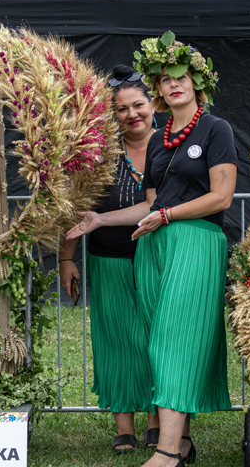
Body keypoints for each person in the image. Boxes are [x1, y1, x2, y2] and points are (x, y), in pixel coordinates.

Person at [67, 32, 236, 467]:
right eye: (165, 79)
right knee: (158, 341)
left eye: (181, 77)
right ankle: (182, 442)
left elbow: (221, 197)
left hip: (194, 241)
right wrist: (100, 219)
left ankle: (166, 452)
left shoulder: (216, 129)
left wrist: (168, 215)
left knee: (175, 341)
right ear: (159, 88)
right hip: (155, 245)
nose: (174, 84)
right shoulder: (162, 141)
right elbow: (150, 204)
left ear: (197, 83)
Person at [59, 65, 158, 454]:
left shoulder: (171, 146)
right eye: (122, 109)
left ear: (153, 105)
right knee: (117, 341)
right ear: (112, 114)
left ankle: (157, 422)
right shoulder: (98, 154)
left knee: (156, 339)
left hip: (159, 258)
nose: (132, 114)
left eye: (138, 105)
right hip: (108, 259)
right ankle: (124, 428)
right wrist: (66, 259)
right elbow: (73, 207)